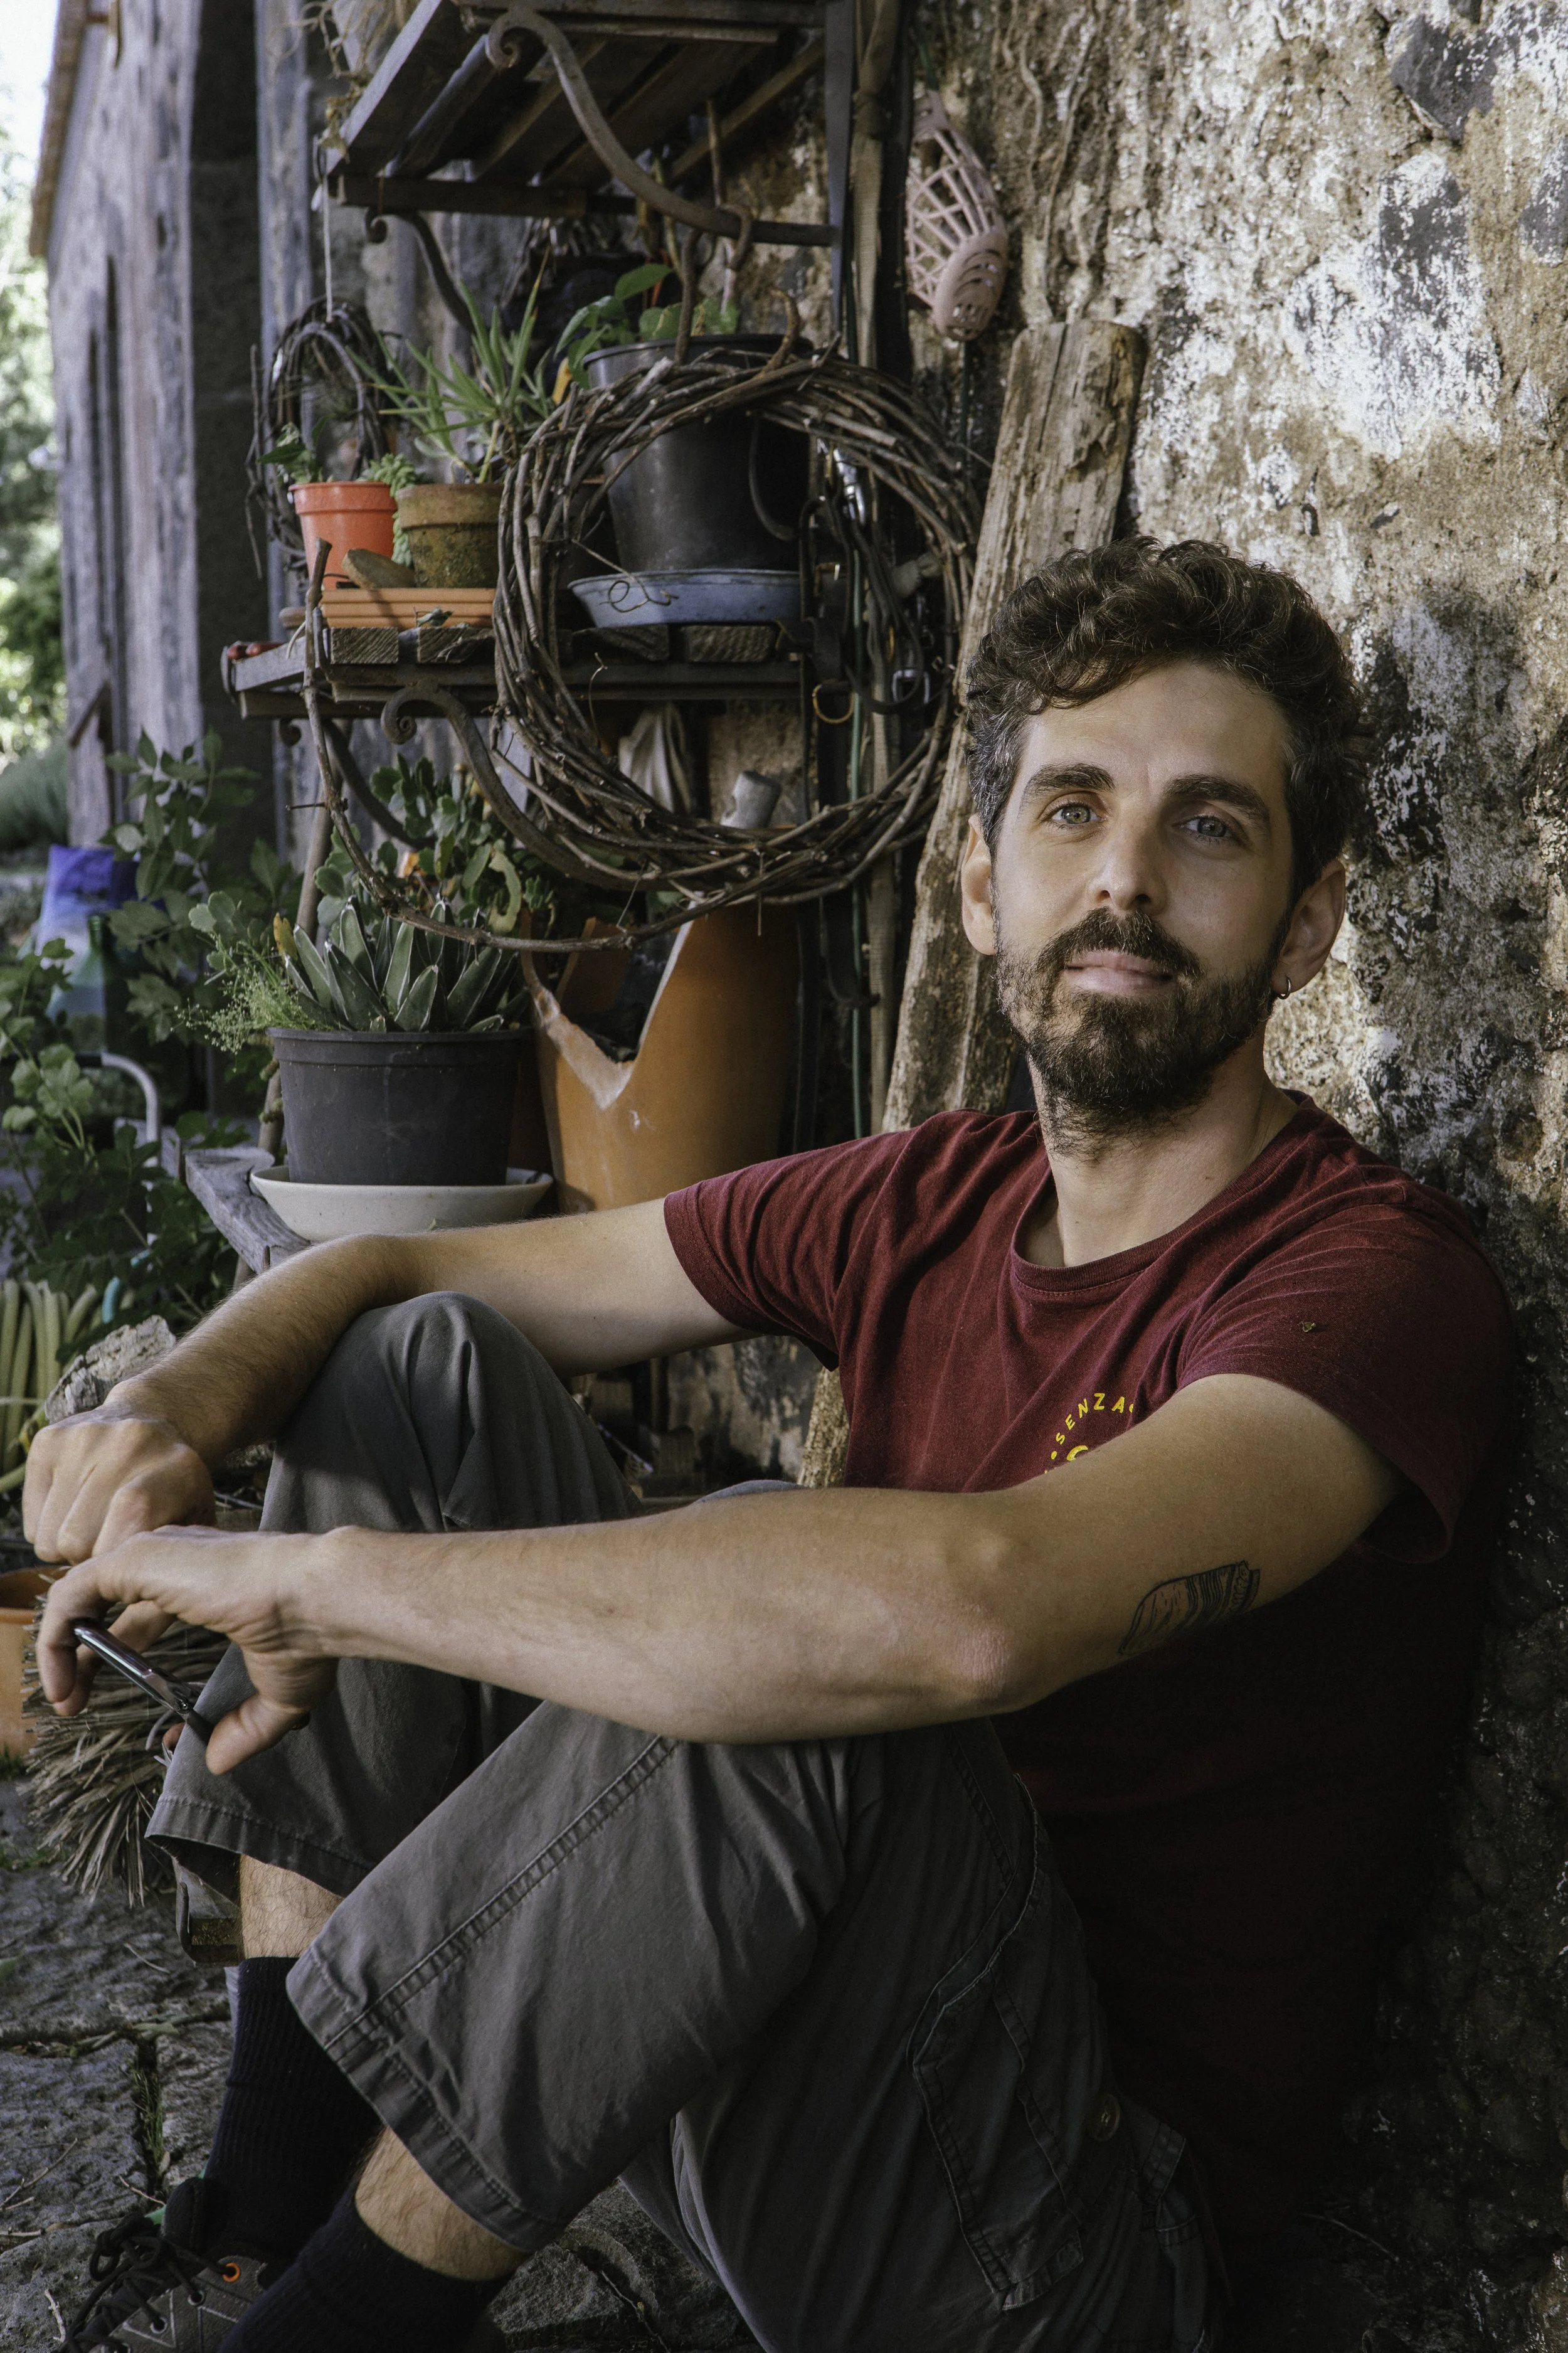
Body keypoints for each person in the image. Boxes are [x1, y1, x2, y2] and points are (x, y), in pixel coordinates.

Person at [35, 540, 1512, 2353]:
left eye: (1207, 827)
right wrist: (165, 1403)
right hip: (772, 2075)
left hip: (1052, 2239)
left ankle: (337, 2330)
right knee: (416, 1373)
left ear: (1302, 919)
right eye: (1069, 810)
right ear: (980, 885)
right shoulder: (941, 1194)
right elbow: (394, 1265)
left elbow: (979, 1609)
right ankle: (263, 2224)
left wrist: (317, 1582)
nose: (1123, 876)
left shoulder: (1367, 1281)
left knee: (810, 1663)